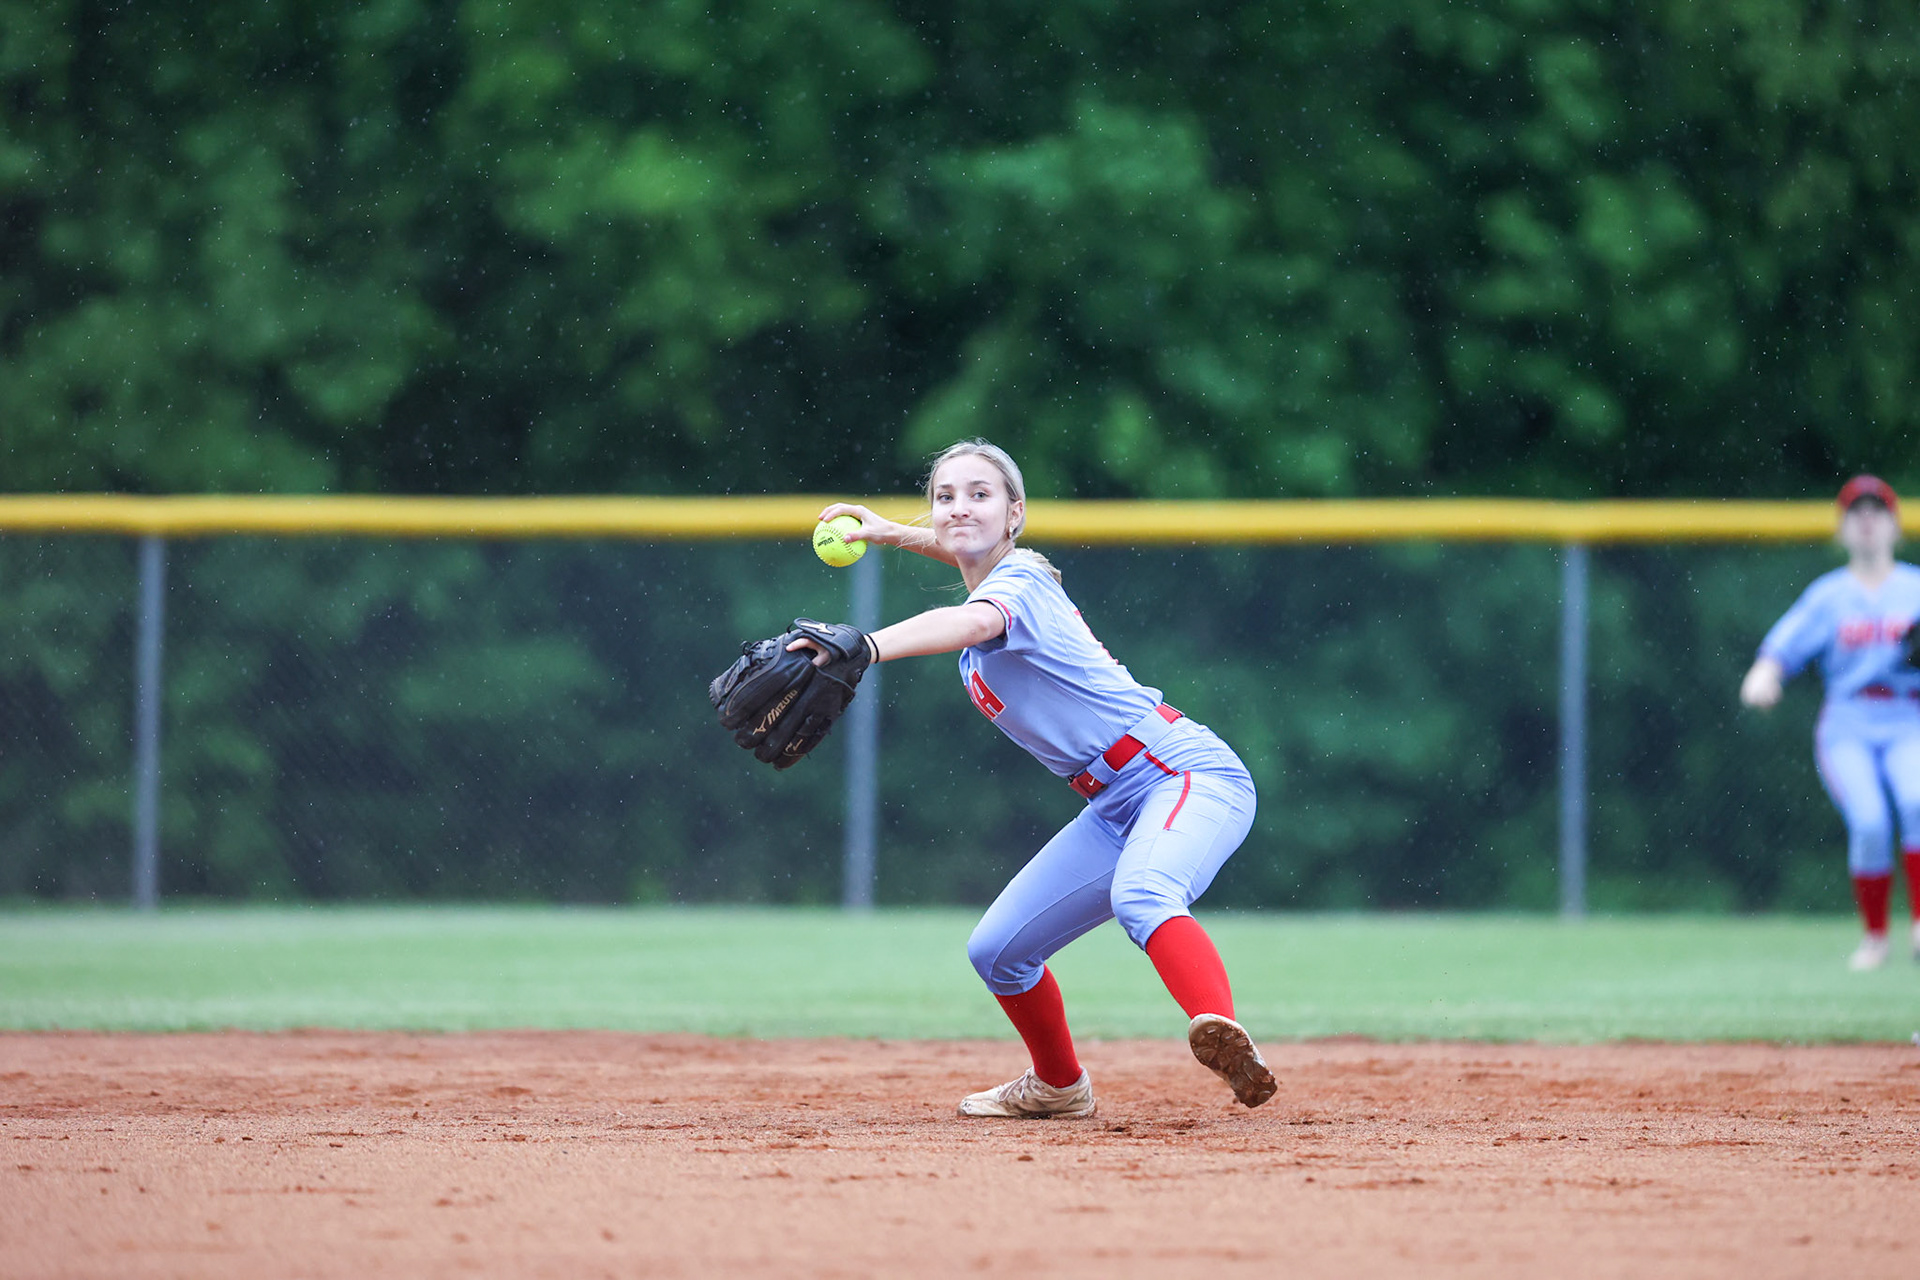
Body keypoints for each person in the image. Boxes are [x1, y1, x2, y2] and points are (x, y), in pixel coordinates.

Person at [798, 439, 1275, 1116]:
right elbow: (966, 563)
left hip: (1182, 772)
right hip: (1112, 803)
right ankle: (1058, 1086)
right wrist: (888, 533)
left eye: (980, 494)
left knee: (1144, 895)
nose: (960, 507)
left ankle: (1222, 1031)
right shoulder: (1005, 574)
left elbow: (970, 618)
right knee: (997, 951)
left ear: (1016, 513)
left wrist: (870, 646)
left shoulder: (1018, 582)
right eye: (945, 496)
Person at [1740, 474, 1920, 970]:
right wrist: (1764, 674)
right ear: (1841, 528)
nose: (1866, 521)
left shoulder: (1915, 588)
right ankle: (1876, 938)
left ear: (1894, 525)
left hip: (1910, 719)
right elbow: (1781, 648)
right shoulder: (1829, 596)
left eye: (1876, 511)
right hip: (1850, 723)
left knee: (1916, 799)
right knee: (1869, 823)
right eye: (1855, 512)